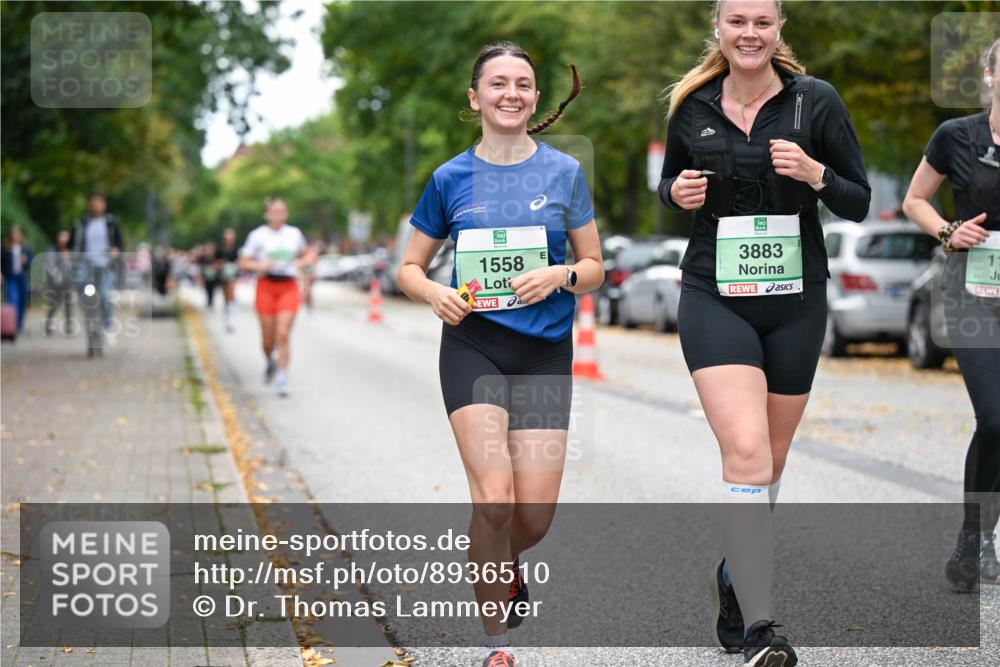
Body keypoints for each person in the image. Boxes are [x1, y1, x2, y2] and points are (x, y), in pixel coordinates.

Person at [658, 1, 870, 664]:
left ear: (779, 30)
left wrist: (817, 174)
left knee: (769, 465)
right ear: (718, 28)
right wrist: (677, 195)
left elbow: (858, 197)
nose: (750, 34)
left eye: (763, 22)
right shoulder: (692, 104)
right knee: (747, 454)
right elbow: (667, 184)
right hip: (714, 295)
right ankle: (762, 628)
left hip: (795, 300)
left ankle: (732, 576)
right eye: (738, 21)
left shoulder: (817, 102)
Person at [396, 42, 602, 667]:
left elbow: (594, 266)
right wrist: (433, 291)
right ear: (475, 97)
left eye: (523, 84)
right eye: (498, 84)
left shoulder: (564, 172)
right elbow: (409, 266)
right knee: (493, 498)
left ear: (536, 97)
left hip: (543, 355)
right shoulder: (449, 178)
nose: (511, 94)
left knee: (531, 518)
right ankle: (498, 646)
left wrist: (560, 276)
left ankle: (503, 559)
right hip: (473, 347)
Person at [902, 38, 1000, 592]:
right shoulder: (957, 136)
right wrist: (948, 230)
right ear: (988, 76)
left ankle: (976, 539)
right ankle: (975, 533)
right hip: (972, 291)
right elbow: (915, 199)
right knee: (996, 416)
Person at [238, 198, 310, 397]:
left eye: (281, 211)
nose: (277, 215)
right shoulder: (257, 236)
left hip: (288, 286)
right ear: (267, 214)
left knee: (283, 334)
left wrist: (302, 263)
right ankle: (269, 359)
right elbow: (243, 262)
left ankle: (282, 378)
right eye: (274, 211)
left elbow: (307, 255)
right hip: (265, 286)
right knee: (267, 340)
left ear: (286, 214)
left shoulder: (294, 234)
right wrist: (260, 266)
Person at [68, 191, 123, 335]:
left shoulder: (111, 223)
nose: (95, 206)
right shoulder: (81, 223)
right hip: (85, 263)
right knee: (80, 284)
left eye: (98, 203)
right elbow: (71, 244)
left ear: (104, 205)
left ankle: (106, 325)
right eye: (93, 203)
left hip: (105, 265)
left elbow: (119, 244)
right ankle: (87, 309)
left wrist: (115, 251)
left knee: (105, 295)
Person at [1, 226, 33, 332]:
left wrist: (25, 261)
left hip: (22, 277)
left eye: (17, 234)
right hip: (10, 277)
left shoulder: (26, 248)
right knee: (12, 299)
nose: (15, 236)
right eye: (13, 234)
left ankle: (19, 325)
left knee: (22, 300)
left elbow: (31, 263)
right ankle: (11, 324)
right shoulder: (5, 248)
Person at [44, 230, 74, 335]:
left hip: (68, 282)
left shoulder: (71, 251)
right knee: (54, 304)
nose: (64, 242)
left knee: (69, 305)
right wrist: (57, 276)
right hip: (56, 282)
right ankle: (49, 324)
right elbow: (50, 265)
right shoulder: (53, 249)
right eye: (62, 240)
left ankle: (69, 326)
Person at [215, 228, 240, 332]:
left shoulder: (237, 250)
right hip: (223, 275)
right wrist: (220, 265)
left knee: (231, 295)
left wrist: (234, 266)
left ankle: (231, 320)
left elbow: (240, 262)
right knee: (226, 297)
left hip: (233, 275)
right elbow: (215, 263)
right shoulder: (220, 250)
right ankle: (227, 316)